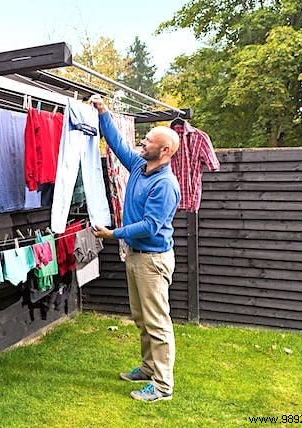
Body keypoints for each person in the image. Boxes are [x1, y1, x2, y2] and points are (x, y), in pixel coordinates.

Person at [89, 94, 181, 403]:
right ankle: (147, 368)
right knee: (142, 318)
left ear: (164, 151)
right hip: (137, 257)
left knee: (157, 323)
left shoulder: (165, 184)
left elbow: (149, 226)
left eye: (149, 142)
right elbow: (118, 146)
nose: (142, 144)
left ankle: (162, 387)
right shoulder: (142, 168)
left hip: (152, 260)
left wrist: (113, 233)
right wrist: (103, 113)